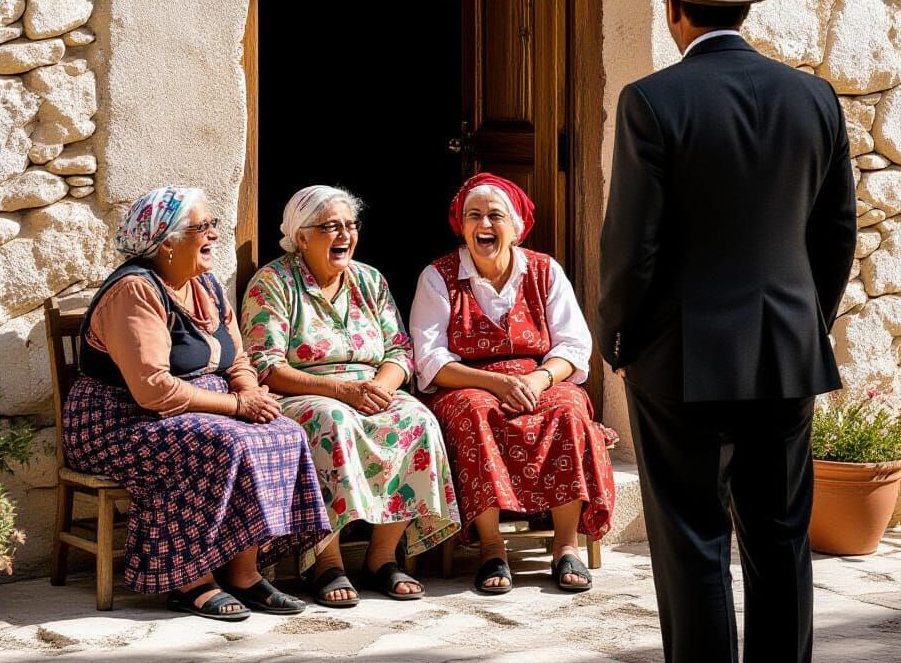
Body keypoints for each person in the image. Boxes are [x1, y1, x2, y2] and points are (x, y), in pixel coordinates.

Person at [598, 0, 857, 663]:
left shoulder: (652, 100)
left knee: (692, 540)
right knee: (781, 540)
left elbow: (631, 246)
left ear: (674, 11)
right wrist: (806, 322)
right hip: (784, 353)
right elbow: (836, 229)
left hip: (678, 357)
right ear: (742, 10)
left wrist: (619, 337)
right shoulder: (813, 97)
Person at [63, 186, 330, 621]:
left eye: (213, 225)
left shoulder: (204, 283)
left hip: (199, 404)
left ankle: (244, 573)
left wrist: (249, 393)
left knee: (284, 432)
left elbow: (237, 357)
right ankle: (191, 579)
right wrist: (238, 408)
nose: (213, 235)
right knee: (225, 441)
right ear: (166, 240)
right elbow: (153, 389)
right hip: (120, 419)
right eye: (201, 227)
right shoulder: (135, 290)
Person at [240, 185, 459, 608]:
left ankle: (381, 558)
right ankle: (328, 562)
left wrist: (381, 387)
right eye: (330, 227)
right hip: (303, 391)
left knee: (416, 419)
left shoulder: (369, 280)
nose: (344, 235)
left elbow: (398, 350)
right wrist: (341, 390)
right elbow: (265, 364)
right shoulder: (274, 282)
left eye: (350, 226)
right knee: (332, 423)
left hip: (370, 388)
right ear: (301, 237)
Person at [411, 173, 615, 594]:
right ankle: (491, 547)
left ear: (516, 226)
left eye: (494, 216)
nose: (484, 225)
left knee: (568, 408)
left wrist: (539, 378)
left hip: (537, 377)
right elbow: (429, 359)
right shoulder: (438, 276)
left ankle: (565, 545)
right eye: (474, 216)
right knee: (473, 412)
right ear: (461, 224)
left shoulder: (544, 270)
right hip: (465, 381)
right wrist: (494, 383)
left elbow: (575, 345)